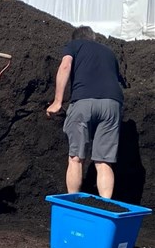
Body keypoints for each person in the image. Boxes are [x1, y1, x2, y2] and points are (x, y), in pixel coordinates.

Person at [46, 26, 125, 199]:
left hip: (83, 101)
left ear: (76, 39)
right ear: (93, 38)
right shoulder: (109, 53)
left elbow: (65, 66)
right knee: (104, 161)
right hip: (112, 104)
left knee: (75, 158)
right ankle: (106, 206)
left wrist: (57, 102)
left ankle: (73, 204)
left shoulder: (74, 46)